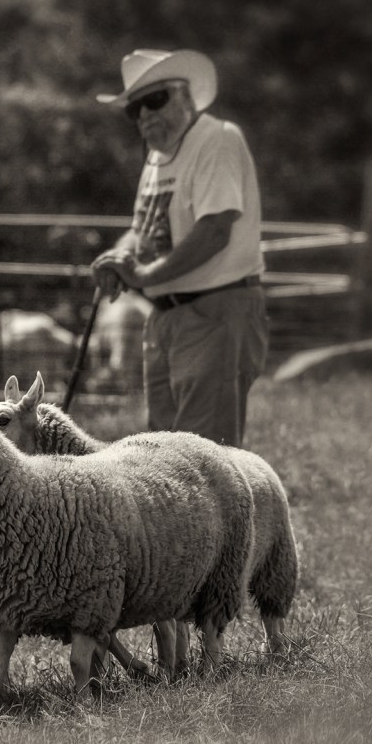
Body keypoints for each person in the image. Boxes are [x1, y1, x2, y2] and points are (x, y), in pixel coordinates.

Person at [91, 48, 269, 448]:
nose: (145, 115)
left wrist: (143, 276)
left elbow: (215, 231)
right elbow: (143, 231)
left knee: (205, 456)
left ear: (186, 97)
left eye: (155, 100)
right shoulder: (156, 157)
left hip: (215, 311)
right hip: (167, 317)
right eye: (134, 108)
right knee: (164, 455)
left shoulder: (217, 139)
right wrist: (116, 260)